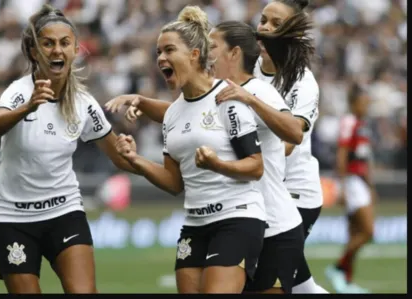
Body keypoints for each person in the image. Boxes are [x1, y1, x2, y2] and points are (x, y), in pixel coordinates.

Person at [105, 11, 315, 295]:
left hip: (269, 221)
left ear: (233, 53)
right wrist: (136, 152)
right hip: (203, 222)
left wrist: (220, 158)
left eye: (213, 47)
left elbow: (292, 134)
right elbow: (191, 120)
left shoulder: (243, 94)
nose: (209, 54)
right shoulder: (190, 106)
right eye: (158, 52)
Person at [0, 5, 138, 294]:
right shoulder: (18, 92)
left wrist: (130, 151)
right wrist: (27, 107)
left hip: (63, 212)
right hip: (12, 218)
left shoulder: (84, 103)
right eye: (48, 43)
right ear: (34, 52)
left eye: (64, 43)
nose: (57, 50)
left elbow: (118, 155)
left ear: (75, 49)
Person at [251, 0, 330, 294]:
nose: (265, 28)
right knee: (301, 285)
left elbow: (285, 144)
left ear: (292, 34)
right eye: (263, 20)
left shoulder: (302, 81)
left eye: (276, 24)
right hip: (263, 192)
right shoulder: (246, 67)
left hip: (295, 196)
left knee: (264, 282)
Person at [325, 84, 375, 294]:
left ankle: (346, 280)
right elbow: (342, 154)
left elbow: (364, 157)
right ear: (354, 103)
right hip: (352, 181)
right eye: (363, 102)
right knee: (367, 231)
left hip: (361, 181)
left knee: (355, 231)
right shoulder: (349, 121)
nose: (366, 106)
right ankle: (337, 268)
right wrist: (342, 187)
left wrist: (371, 185)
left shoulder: (361, 123)